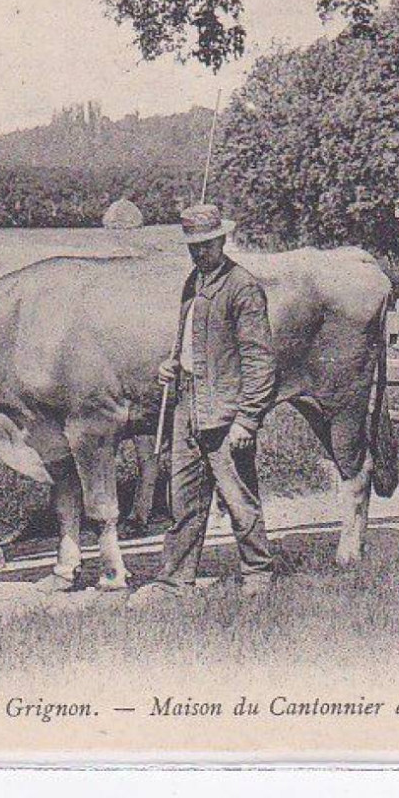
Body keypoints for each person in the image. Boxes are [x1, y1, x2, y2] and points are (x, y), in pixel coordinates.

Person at [130, 203, 278, 604]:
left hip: (226, 414)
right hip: (188, 408)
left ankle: (257, 575)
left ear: (221, 240)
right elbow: (189, 343)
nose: (199, 252)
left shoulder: (242, 287)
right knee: (184, 502)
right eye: (193, 246)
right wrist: (171, 364)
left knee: (238, 500)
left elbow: (259, 358)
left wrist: (248, 419)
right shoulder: (192, 283)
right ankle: (176, 581)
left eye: (206, 245)